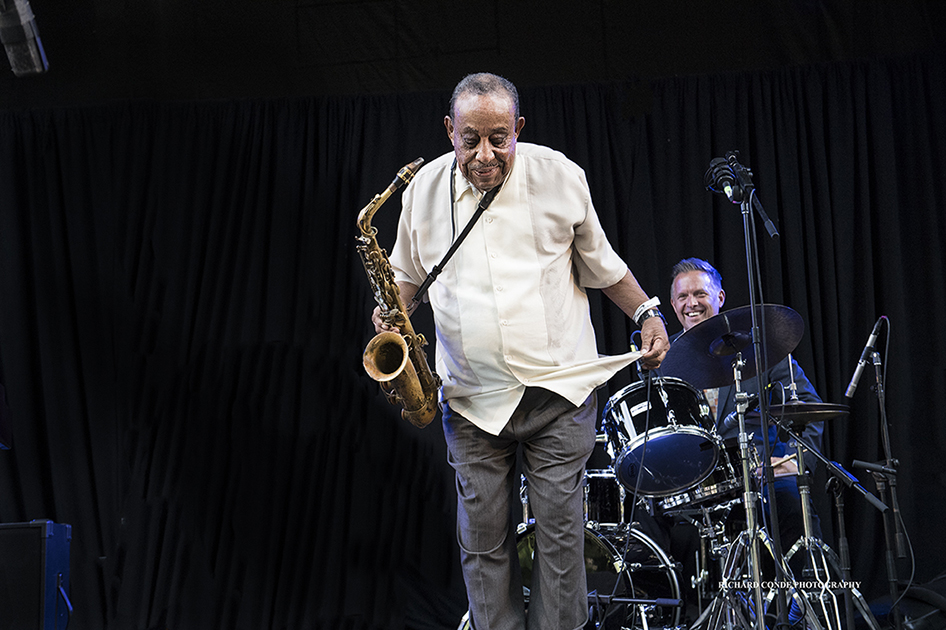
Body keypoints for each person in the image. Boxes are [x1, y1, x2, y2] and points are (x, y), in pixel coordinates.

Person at [371, 72, 669, 630]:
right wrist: (392, 313)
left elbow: (603, 266)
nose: (485, 154)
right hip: (471, 399)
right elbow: (407, 276)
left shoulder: (561, 176)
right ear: (449, 131)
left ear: (519, 130)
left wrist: (648, 313)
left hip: (559, 391)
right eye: (470, 139)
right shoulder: (422, 193)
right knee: (482, 548)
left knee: (561, 547)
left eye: (499, 138)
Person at [667, 257, 824, 556]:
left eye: (700, 293)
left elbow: (809, 406)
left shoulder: (761, 347)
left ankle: (801, 596)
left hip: (760, 473)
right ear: (674, 305)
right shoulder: (664, 360)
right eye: (683, 297)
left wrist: (797, 459)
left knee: (791, 500)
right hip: (692, 481)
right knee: (642, 516)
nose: (692, 304)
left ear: (720, 297)